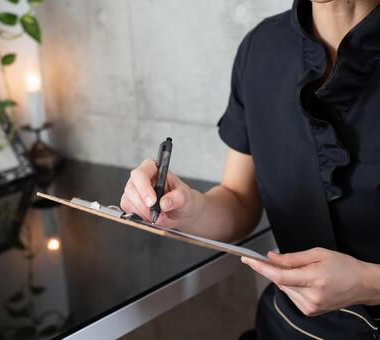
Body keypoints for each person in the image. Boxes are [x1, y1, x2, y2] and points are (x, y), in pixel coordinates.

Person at [120, 0, 380, 338]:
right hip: (286, 329)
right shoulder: (261, 48)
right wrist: (188, 208)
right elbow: (238, 200)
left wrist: (368, 284)